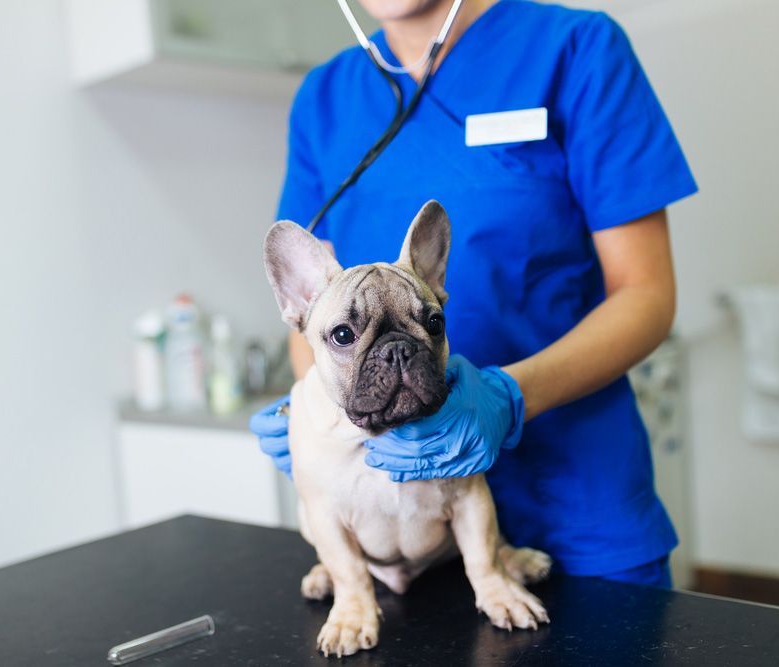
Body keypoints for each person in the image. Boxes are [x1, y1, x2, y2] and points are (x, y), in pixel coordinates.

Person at [251, 0, 697, 588]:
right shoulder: (325, 97)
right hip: (395, 518)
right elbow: (310, 312)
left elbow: (646, 296)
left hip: (576, 502)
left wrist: (509, 398)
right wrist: (314, 411)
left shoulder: (576, 49)